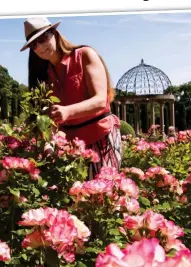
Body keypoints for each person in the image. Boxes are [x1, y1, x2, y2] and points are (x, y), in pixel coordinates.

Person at [21, 17, 122, 180]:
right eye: (33, 44)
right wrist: (50, 143)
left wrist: (68, 111)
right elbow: (51, 119)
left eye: (42, 39)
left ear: (54, 33)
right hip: (71, 146)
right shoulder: (45, 75)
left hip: (101, 137)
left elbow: (100, 101)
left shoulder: (84, 55)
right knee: (75, 200)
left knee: (101, 194)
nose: (39, 47)